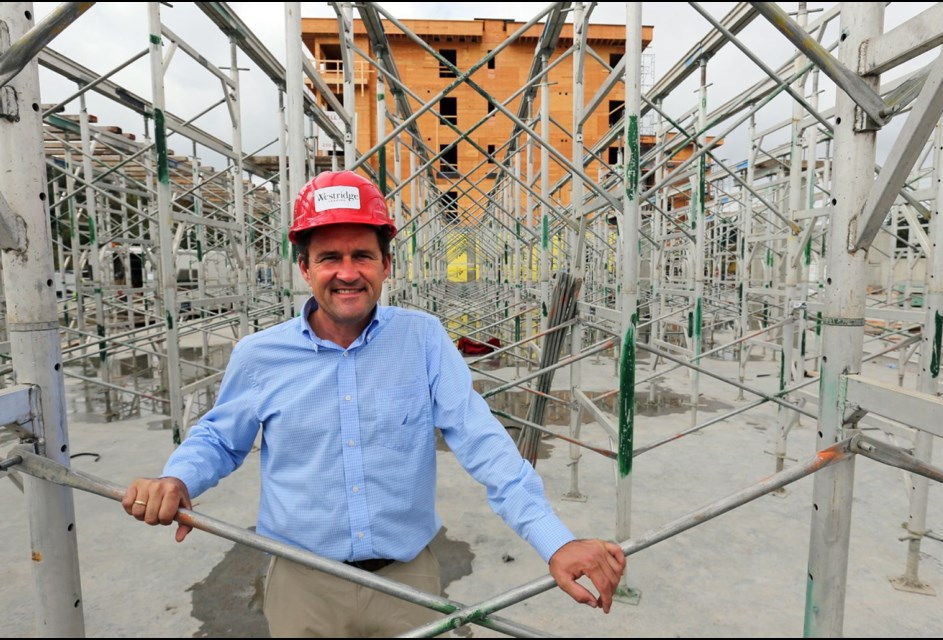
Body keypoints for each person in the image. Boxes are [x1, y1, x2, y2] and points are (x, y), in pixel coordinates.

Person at [122, 169, 626, 637]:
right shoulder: (259, 355)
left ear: (386, 264)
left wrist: (554, 539)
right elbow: (219, 437)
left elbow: (482, 441)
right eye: (329, 258)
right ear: (304, 268)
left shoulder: (423, 339)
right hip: (303, 582)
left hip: (407, 577)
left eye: (362, 255)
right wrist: (177, 478)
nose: (347, 273)